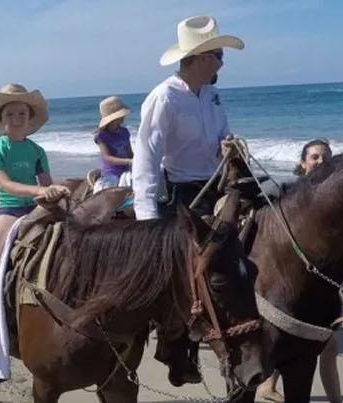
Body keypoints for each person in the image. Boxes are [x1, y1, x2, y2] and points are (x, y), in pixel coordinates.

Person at [131, 15, 244, 386]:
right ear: (198, 58)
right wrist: (148, 219)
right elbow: (146, 157)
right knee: (186, 272)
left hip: (215, 184)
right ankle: (177, 349)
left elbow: (222, 135)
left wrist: (229, 145)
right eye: (217, 56)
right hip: (180, 192)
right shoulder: (164, 97)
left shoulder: (211, 95)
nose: (222, 63)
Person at [0, 83, 70, 350]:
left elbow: (46, 182)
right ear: (1, 120)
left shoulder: (37, 151)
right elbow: (5, 184)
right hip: (9, 209)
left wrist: (58, 192)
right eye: (10, 114)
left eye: (22, 114)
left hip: (37, 207)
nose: (17, 119)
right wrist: (41, 190)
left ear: (30, 118)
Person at [258, 139, 342, 403]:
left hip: (323, 286)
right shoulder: (290, 197)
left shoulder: (336, 201)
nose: (320, 161)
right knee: (320, 348)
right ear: (303, 163)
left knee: (324, 349)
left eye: (325, 157)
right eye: (315, 157)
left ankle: (268, 387)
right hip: (288, 286)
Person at [93, 96, 133, 192]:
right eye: (121, 115)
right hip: (111, 174)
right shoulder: (101, 136)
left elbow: (130, 152)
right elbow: (108, 158)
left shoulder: (124, 131)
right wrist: (129, 161)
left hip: (126, 171)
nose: (124, 116)